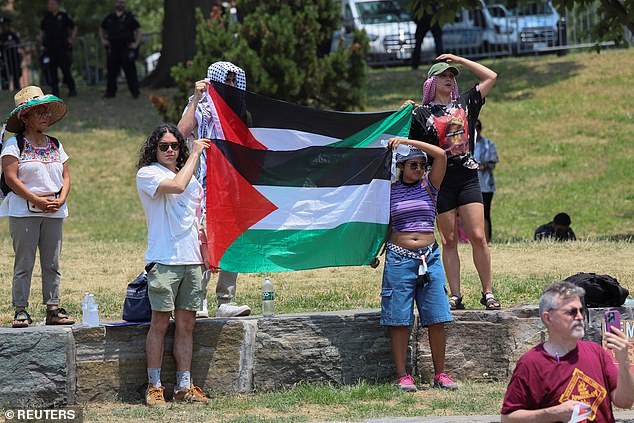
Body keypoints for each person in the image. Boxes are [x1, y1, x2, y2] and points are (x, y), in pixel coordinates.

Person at [405, 54, 499, 311]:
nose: (448, 79)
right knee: (448, 240)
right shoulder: (421, 113)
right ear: (432, 82)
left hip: (468, 177)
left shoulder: (466, 103)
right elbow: (410, 146)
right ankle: (455, 295)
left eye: (451, 76)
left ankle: (488, 292)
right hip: (440, 181)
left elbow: (491, 76)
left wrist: (459, 60)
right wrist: (405, 112)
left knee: (478, 236)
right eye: (443, 76)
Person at [375, 137, 458, 392]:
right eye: (413, 165)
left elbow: (442, 156)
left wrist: (410, 142)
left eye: (422, 165)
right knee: (399, 318)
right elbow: (386, 225)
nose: (419, 169)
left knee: (436, 317)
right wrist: (375, 251)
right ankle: (403, 375)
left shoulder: (429, 186)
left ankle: (440, 374)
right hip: (399, 258)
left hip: (429, 258)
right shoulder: (389, 191)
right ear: (401, 167)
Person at [136, 124, 211, 406]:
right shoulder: (148, 174)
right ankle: (154, 386)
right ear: (154, 150)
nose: (170, 150)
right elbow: (176, 186)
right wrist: (194, 155)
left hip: (191, 259)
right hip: (164, 259)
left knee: (187, 325)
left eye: (174, 146)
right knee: (158, 323)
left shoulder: (192, 179)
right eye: (163, 146)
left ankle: (183, 385)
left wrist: (206, 253)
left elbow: (196, 219)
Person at [177, 61, 251, 319]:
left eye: (234, 80)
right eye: (226, 80)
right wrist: (197, 99)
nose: (230, 85)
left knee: (231, 242)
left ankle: (226, 300)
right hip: (207, 185)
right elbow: (181, 133)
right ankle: (198, 301)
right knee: (203, 242)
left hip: (234, 188)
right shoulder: (203, 107)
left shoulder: (239, 112)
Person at [501, 281, 634, 422]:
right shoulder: (531, 362)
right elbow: (508, 418)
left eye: (581, 310)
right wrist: (552, 413)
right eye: (571, 312)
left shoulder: (596, 351)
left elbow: (625, 402)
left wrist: (624, 362)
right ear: (548, 317)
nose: (579, 317)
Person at [0, 85, 74, 328]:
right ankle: (20, 308)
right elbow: (11, 178)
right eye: (39, 112)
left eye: (46, 112)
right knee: (25, 261)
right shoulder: (14, 145)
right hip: (24, 211)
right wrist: (36, 199)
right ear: (25, 117)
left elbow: (66, 176)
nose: (45, 116)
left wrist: (61, 198)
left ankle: (53, 307)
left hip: (53, 210)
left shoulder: (55, 144)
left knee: (52, 261)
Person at [99, 0, 142, 99]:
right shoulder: (110, 18)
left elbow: (138, 30)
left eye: (122, 2)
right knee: (111, 71)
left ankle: (135, 92)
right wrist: (103, 40)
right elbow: (101, 28)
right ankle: (110, 92)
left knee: (130, 70)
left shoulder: (130, 17)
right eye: (118, 2)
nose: (120, 4)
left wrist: (136, 43)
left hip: (126, 47)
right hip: (113, 47)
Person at [40, 0, 76, 97]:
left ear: (57, 5)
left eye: (52, 4)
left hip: (62, 47)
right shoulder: (46, 17)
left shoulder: (63, 16)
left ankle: (72, 89)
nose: (50, 6)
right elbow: (42, 30)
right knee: (52, 70)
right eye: (49, 4)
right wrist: (40, 40)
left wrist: (71, 39)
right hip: (50, 48)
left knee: (66, 69)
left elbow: (74, 26)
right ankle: (55, 92)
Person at [473, 119, 498, 243]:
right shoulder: (466, 145)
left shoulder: (489, 145)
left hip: (486, 185)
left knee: (485, 213)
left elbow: (492, 163)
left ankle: (487, 240)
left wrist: (479, 166)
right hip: (471, 184)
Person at [411, 1, 444, 70]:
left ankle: (415, 64)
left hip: (422, 20)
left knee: (418, 44)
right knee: (438, 42)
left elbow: (415, 10)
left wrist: (416, 20)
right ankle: (442, 63)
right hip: (432, 19)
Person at [0, 17, 22, 91]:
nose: (3, 27)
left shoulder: (13, 35)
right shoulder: (1, 36)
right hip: (5, 61)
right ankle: (5, 91)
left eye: (5, 25)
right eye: (2, 26)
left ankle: (17, 90)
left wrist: (10, 43)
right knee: (5, 78)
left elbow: (18, 42)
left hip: (14, 59)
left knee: (16, 77)